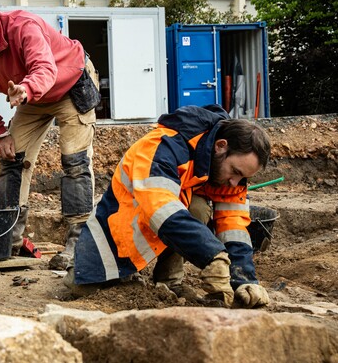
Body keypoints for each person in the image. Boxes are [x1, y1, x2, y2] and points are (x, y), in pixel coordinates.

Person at [66, 104, 271, 309]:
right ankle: (116, 272)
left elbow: (234, 228)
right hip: (118, 228)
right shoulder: (163, 146)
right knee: (83, 286)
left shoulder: (226, 171)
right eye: (235, 171)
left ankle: (170, 282)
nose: (235, 182)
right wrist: (212, 255)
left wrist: (244, 280)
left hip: (158, 223)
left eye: (242, 177)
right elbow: (161, 209)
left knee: (197, 208)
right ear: (221, 146)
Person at [0, 0, 100, 269]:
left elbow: (44, 68)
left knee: (75, 161)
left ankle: (79, 243)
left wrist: (27, 89)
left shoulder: (24, 27)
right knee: (11, 159)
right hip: (31, 95)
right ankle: (9, 239)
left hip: (69, 83)